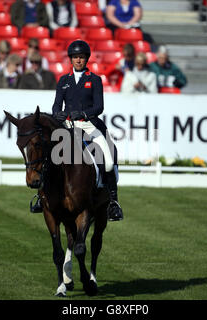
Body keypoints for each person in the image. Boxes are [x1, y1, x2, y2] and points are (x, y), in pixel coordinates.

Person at [32, 40, 123, 221]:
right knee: (49, 156)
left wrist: (82, 113)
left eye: (81, 57)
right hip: (67, 126)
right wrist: (58, 114)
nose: (78, 60)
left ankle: (113, 203)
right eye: (75, 57)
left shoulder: (95, 80)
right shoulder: (63, 81)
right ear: (71, 59)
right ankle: (41, 198)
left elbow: (99, 107)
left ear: (86, 59)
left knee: (107, 160)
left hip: (89, 125)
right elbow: (56, 105)